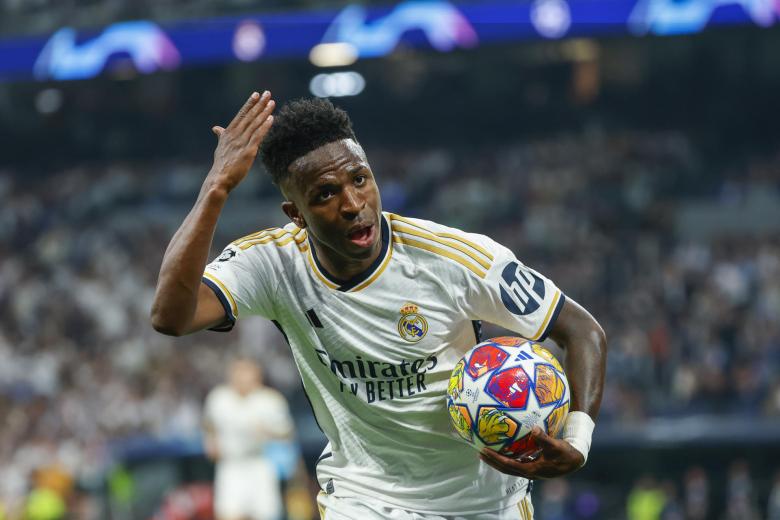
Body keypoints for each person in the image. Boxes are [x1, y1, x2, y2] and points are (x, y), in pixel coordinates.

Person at [151, 91, 607, 519]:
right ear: (296, 214)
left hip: (484, 500)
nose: (353, 204)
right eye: (325, 195)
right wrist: (216, 188)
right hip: (365, 498)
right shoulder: (272, 264)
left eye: (360, 179)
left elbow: (581, 330)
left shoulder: (453, 259)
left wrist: (578, 440)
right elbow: (171, 316)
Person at [203, 357, 294, 520]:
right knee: (228, 514)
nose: (242, 377)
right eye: (238, 371)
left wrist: (268, 432)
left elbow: (287, 432)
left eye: (247, 371)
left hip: (258, 464)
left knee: (265, 515)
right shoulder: (219, 397)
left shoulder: (269, 399)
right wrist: (210, 442)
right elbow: (209, 423)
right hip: (230, 464)